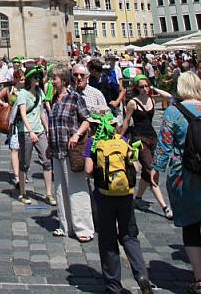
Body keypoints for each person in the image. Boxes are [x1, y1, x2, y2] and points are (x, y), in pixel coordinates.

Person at [85, 109, 152, 294]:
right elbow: (136, 168)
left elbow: (88, 171)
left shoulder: (93, 142)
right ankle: (142, 276)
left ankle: (113, 286)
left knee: (107, 240)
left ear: (93, 126)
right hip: (125, 196)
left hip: (104, 197)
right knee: (129, 236)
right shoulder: (122, 141)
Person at [153, 71, 201, 294]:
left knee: (191, 226)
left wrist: (156, 169)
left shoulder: (173, 112)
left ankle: (199, 278)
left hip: (186, 177)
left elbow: (164, 146)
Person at [46, 67, 93, 241]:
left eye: (54, 79)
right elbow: (54, 125)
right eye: (51, 79)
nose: (52, 82)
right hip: (57, 150)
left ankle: (83, 229)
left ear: (64, 80)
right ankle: (65, 226)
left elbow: (87, 119)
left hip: (72, 151)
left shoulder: (75, 98)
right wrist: (50, 145)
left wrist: (76, 134)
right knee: (60, 190)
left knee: (77, 189)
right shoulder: (53, 99)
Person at [120, 73, 173, 217]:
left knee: (147, 171)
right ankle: (165, 207)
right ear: (136, 88)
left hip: (152, 138)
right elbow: (126, 121)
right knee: (151, 171)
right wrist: (120, 137)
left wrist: (154, 87)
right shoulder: (133, 102)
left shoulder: (152, 99)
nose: (144, 88)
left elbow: (168, 97)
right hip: (139, 139)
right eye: (141, 86)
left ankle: (137, 198)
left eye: (146, 85)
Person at [15, 65, 54, 205]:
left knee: (47, 160)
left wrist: (47, 128)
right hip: (26, 131)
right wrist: (30, 130)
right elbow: (23, 114)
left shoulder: (39, 92)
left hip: (40, 130)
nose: (38, 79)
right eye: (35, 77)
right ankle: (23, 192)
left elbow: (41, 112)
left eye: (39, 77)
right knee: (25, 163)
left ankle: (49, 193)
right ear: (29, 79)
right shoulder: (22, 94)